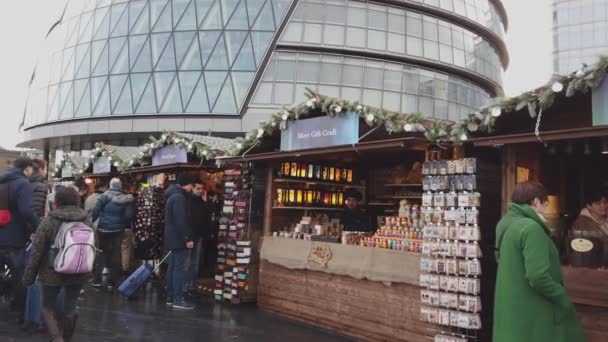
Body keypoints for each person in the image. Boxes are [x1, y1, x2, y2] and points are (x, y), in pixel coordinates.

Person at [493, 181, 585, 342]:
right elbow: (537, 276)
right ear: (535, 201)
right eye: (545, 203)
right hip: (533, 312)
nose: (546, 208)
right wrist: (560, 295)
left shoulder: (505, 224)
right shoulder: (531, 229)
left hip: (511, 311)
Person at [23, 186, 95, 342]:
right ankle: (66, 338)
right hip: (79, 271)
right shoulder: (86, 221)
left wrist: (29, 276)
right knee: (71, 307)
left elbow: (37, 251)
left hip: (51, 272)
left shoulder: (49, 221)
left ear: (56, 202)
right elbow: (94, 248)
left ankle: (57, 339)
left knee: (47, 307)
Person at [0, 157, 40, 318]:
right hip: (14, 238)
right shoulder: (23, 183)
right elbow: (27, 211)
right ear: (27, 168)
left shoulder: (2, 181)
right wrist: (38, 226)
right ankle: (17, 308)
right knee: (19, 274)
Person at [90, 178, 135, 290]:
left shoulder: (103, 197)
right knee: (116, 254)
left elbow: (95, 212)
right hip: (118, 230)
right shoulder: (127, 199)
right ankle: (113, 282)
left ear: (110, 185)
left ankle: (97, 280)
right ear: (120, 186)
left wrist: (91, 223)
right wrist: (121, 223)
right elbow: (129, 216)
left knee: (101, 253)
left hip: (103, 229)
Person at [22, 159, 48, 331]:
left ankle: (28, 317)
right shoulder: (40, 186)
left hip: (21, 235)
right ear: (42, 169)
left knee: (27, 275)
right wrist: (39, 230)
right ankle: (34, 319)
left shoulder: (26, 184)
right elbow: (35, 211)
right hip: (33, 235)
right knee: (35, 276)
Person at [164, 173, 195, 310]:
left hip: (172, 237)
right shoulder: (179, 197)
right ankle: (177, 298)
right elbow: (181, 220)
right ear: (187, 184)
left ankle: (171, 297)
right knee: (179, 268)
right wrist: (187, 238)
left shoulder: (173, 195)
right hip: (179, 238)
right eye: (191, 185)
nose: (191, 188)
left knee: (173, 267)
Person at [184, 181, 212, 296]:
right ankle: (184, 287)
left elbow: (209, 215)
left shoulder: (203, 201)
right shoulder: (188, 201)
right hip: (190, 236)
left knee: (195, 263)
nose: (200, 191)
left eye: (202, 189)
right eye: (198, 188)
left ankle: (191, 286)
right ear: (193, 189)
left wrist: (206, 201)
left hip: (199, 236)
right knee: (187, 262)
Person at [570, 190, 608, 267]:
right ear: (588, 206)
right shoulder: (580, 225)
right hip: (593, 270)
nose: (603, 206)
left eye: (605, 202)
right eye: (598, 203)